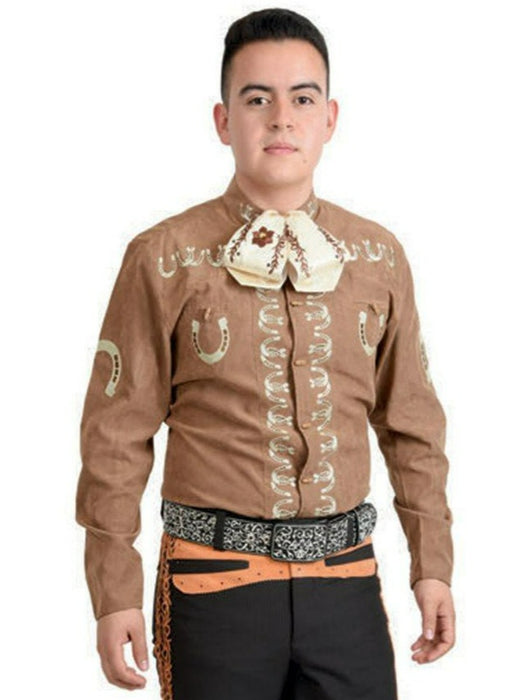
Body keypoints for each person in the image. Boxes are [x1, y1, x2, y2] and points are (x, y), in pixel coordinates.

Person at [75, 7, 456, 698]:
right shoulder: (162, 257)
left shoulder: (378, 257)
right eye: (257, 99)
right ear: (224, 120)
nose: (281, 119)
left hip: (346, 583)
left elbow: (412, 425)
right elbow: (115, 433)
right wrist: (113, 589)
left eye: (302, 99)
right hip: (211, 587)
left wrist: (432, 565)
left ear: (329, 118)